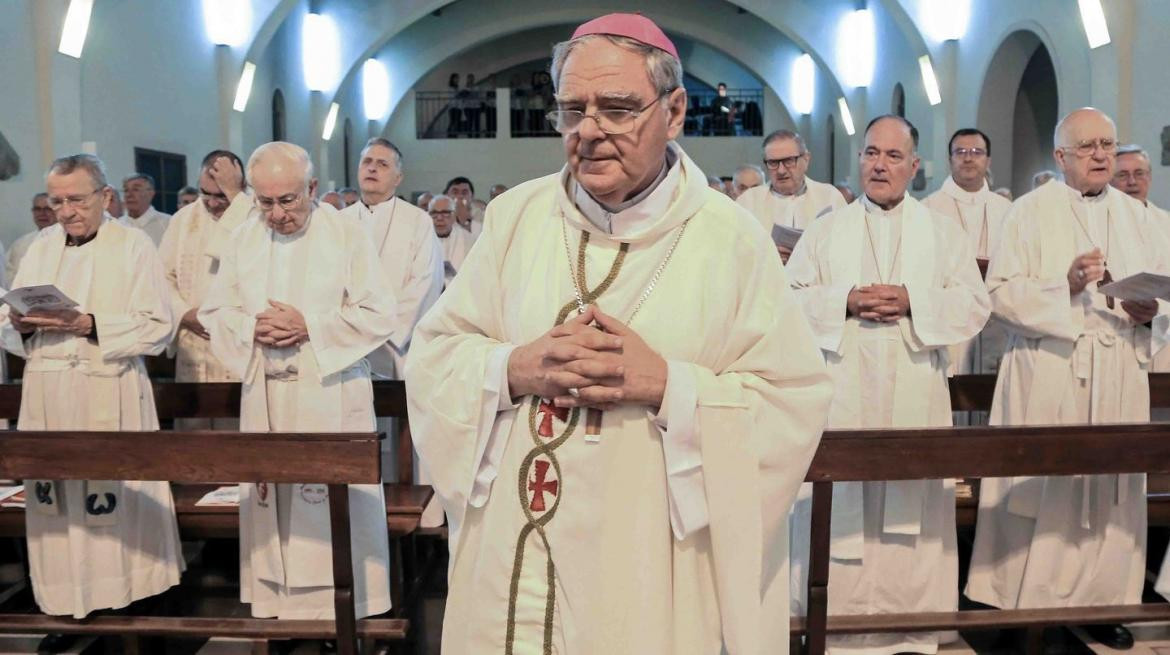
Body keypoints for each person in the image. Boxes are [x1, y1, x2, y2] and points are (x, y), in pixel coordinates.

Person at [405, 14, 832, 653]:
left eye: (618, 107)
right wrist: (517, 368)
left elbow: (791, 402)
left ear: (676, 109)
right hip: (514, 555)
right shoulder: (517, 218)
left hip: (649, 562)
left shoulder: (732, 239)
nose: (590, 130)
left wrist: (669, 385)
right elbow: (435, 356)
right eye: (572, 109)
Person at [965, 108, 1170, 651]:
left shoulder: (1149, 219)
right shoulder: (1027, 213)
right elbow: (999, 297)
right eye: (1087, 147)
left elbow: (1167, 300)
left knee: (1111, 492)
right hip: (1050, 367)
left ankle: (1106, 601)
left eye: (1108, 143)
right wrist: (1067, 285)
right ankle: (1027, 601)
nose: (1102, 155)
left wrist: (1153, 316)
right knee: (1046, 484)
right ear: (1061, 158)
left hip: (1120, 369)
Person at [786, 115, 989, 655]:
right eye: (871, 153)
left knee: (912, 503)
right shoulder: (826, 229)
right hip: (843, 387)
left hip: (914, 390)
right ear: (860, 160)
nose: (880, 164)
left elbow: (974, 303)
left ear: (914, 167)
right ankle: (838, 623)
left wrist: (913, 301)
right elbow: (788, 298)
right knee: (842, 500)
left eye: (893, 156)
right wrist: (845, 301)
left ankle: (911, 627)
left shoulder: (944, 233)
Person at [199, 141, 396, 621]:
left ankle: (345, 617)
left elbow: (379, 312)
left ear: (312, 187)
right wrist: (251, 328)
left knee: (330, 518)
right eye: (265, 201)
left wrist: (310, 324)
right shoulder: (244, 238)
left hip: (329, 393)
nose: (276, 213)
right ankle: (281, 615)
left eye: (288, 200)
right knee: (274, 518)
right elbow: (215, 310)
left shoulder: (346, 234)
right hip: (265, 394)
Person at [0, 155, 182, 640]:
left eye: (76, 200)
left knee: (112, 496)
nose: (65, 211)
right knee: (56, 503)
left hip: (108, 387)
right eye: (57, 201)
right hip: (47, 392)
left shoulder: (134, 246)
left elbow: (159, 325)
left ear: (104, 197)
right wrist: (17, 323)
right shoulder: (39, 248)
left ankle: (126, 602)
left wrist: (90, 323)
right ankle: (64, 605)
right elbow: (11, 317)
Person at [157, 151, 252, 428]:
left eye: (221, 195)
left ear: (240, 186)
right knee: (192, 433)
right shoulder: (183, 219)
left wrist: (236, 201)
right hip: (193, 342)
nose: (211, 202)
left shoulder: (254, 216)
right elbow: (163, 276)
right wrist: (184, 314)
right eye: (204, 193)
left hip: (235, 339)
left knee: (236, 433)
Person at [341, 137, 443, 380]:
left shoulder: (418, 221)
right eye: (367, 161)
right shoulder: (337, 221)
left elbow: (425, 283)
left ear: (398, 178)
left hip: (397, 343)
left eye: (382, 164)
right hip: (346, 343)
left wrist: (384, 331)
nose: (372, 168)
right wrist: (348, 329)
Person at [923, 128, 1013, 377]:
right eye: (960, 152)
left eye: (976, 152)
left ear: (988, 161)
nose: (968, 158)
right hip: (949, 320)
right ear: (949, 159)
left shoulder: (1007, 210)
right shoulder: (927, 209)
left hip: (996, 320)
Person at [737, 129, 846, 263]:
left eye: (789, 161)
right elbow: (734, 251)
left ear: (806, 159)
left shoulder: (829, 197)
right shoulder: (748, 201)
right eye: (773, 163)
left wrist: (804, 256)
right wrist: (767, 255)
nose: (781, 170)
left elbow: (845, 247)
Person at [5, 192, 56, 284]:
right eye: (37, 209)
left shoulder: (69, 240)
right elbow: (9, 276)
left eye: (48, 209)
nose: (42, 214)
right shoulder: (21, 244)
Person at [428, 194, 470, 283]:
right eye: (434, 213)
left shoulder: (469, 240)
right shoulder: (420, 239)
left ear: (454, 215)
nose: (439, 218)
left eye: (445, 213)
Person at [120, 173, 171, 245]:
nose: (129, 195)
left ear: (151, 193)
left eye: (136, 189)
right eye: (126, 190)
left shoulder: (167, 223)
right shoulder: (117, 225)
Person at [445, 176, 482, 240]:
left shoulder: (481, 215)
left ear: (472, 197)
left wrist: (466, 222)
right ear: (447, 195)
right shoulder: (438, 215)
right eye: (455, 192)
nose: (460, 196)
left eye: (464, 193)